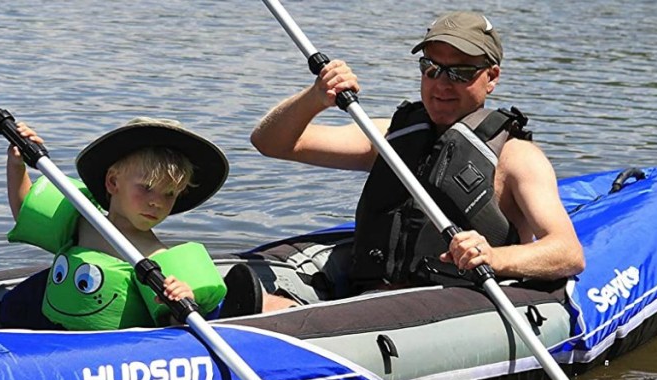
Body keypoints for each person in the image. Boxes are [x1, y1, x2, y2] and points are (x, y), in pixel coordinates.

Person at [250, 11, 585, 294]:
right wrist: (315, 98)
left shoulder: (518, 158)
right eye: (432, 68)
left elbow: (568, 252)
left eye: (461, 72)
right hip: (369, 296)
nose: (441, 84)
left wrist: (495, 257)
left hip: (456, 307)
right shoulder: (386, 138)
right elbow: (271, 142)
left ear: (491, 76)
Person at [0, 117, 229, 330]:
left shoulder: (156, 257)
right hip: (45, 333)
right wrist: (17, 164)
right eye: (146, 187)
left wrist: (182, 297)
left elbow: (171, 328)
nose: (157, 202)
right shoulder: (85, 219)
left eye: (169, 194)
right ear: (112, 182)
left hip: (108, 351)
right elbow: (25, 212)